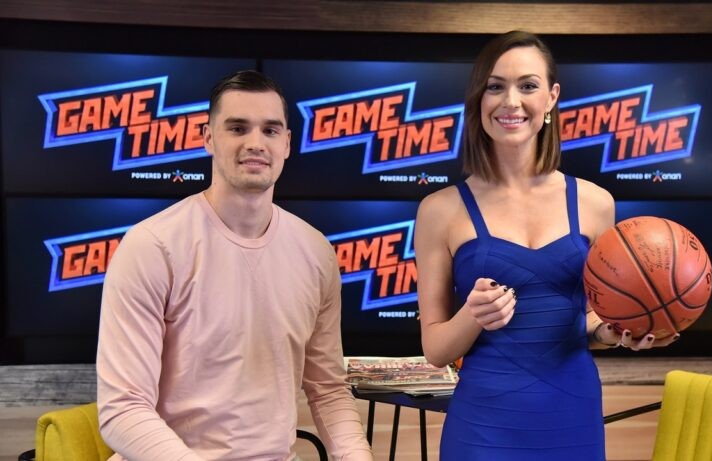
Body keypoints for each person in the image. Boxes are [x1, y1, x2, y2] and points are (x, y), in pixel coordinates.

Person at [414, 31, 679, 460]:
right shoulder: (439, 210)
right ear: (478, 97)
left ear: (551, 97)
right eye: (495, 86)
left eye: (528, 85)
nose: (511, 101)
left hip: (572, 415)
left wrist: (612, 331)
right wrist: (472, 316)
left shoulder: (595, 203)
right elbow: (435, 349)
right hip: (483, 427)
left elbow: (586, 319)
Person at [97, 70, 373, 461]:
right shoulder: (152, 246)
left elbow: (328, 390)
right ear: (208, 137)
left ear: (287, 143)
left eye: (270, 130)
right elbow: (123, 410)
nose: (255, 143)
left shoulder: (316, 252)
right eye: (238, 128)